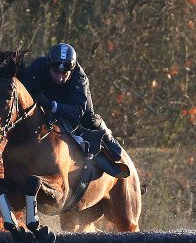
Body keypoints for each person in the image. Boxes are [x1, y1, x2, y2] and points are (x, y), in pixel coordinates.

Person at [17, 43, 127, 178]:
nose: (60, 77)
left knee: (90, 118)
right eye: (56, 72)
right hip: (47, 99)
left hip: (75, 107)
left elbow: (78, 111)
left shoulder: (79, 78)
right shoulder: (38, 66)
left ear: (72, 69)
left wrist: (51, 104)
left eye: (64, 73)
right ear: (49, 65)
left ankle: (108, 139)